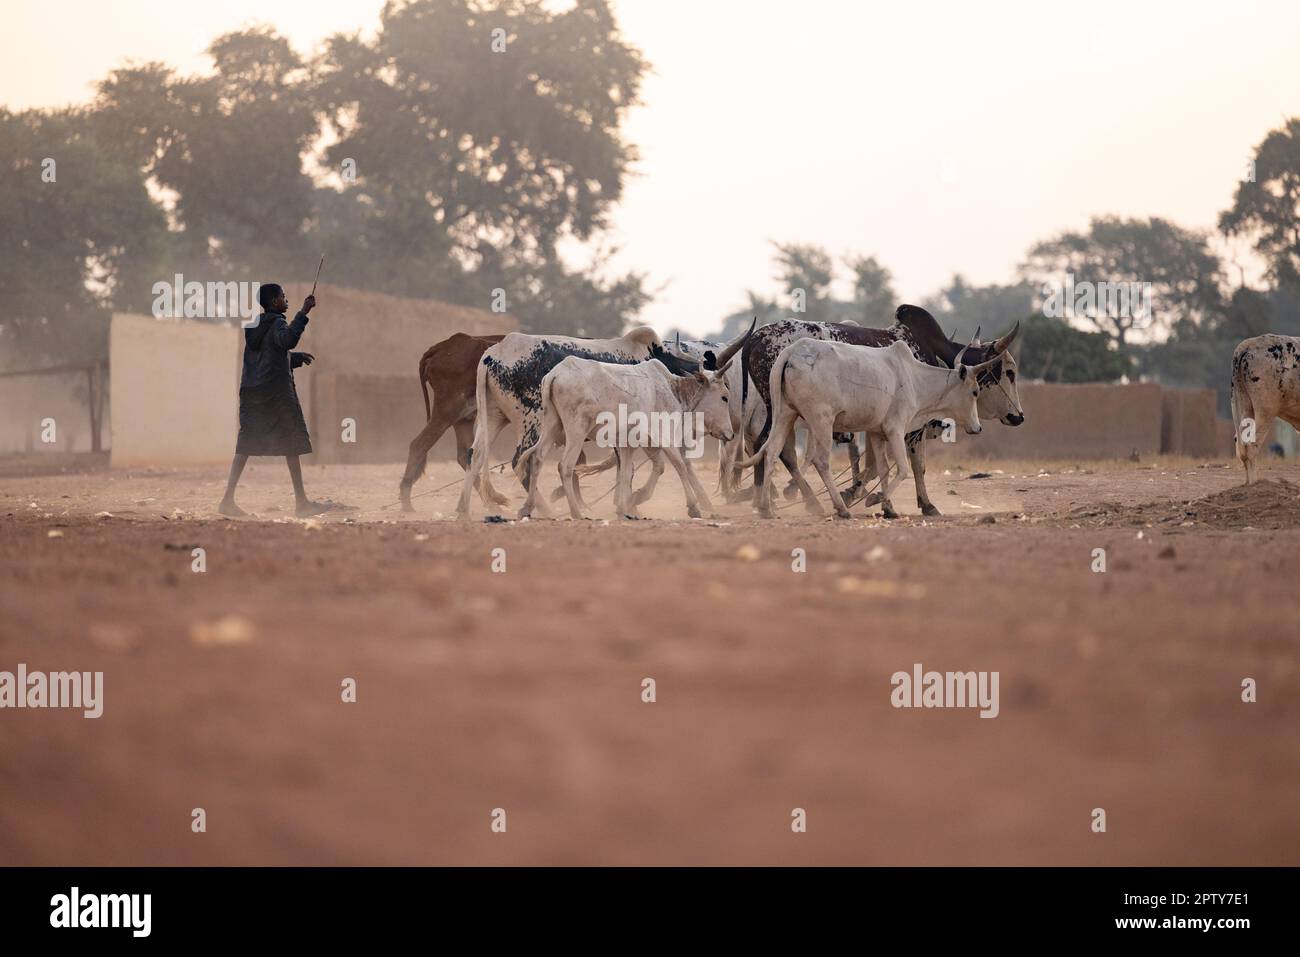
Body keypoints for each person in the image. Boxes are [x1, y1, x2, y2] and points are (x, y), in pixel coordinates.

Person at [218, 283, 329, 517]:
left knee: (245, 443)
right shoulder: (278, 322)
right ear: (274, 302)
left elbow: (271, 352)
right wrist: (303, 313)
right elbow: (286, 340)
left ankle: (227, 499)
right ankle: (301, 503)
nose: (286, 300)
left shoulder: (255, 327)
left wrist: (293, 359)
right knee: (291, 442)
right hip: (276, 394)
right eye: (283, 297)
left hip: (252, 392)